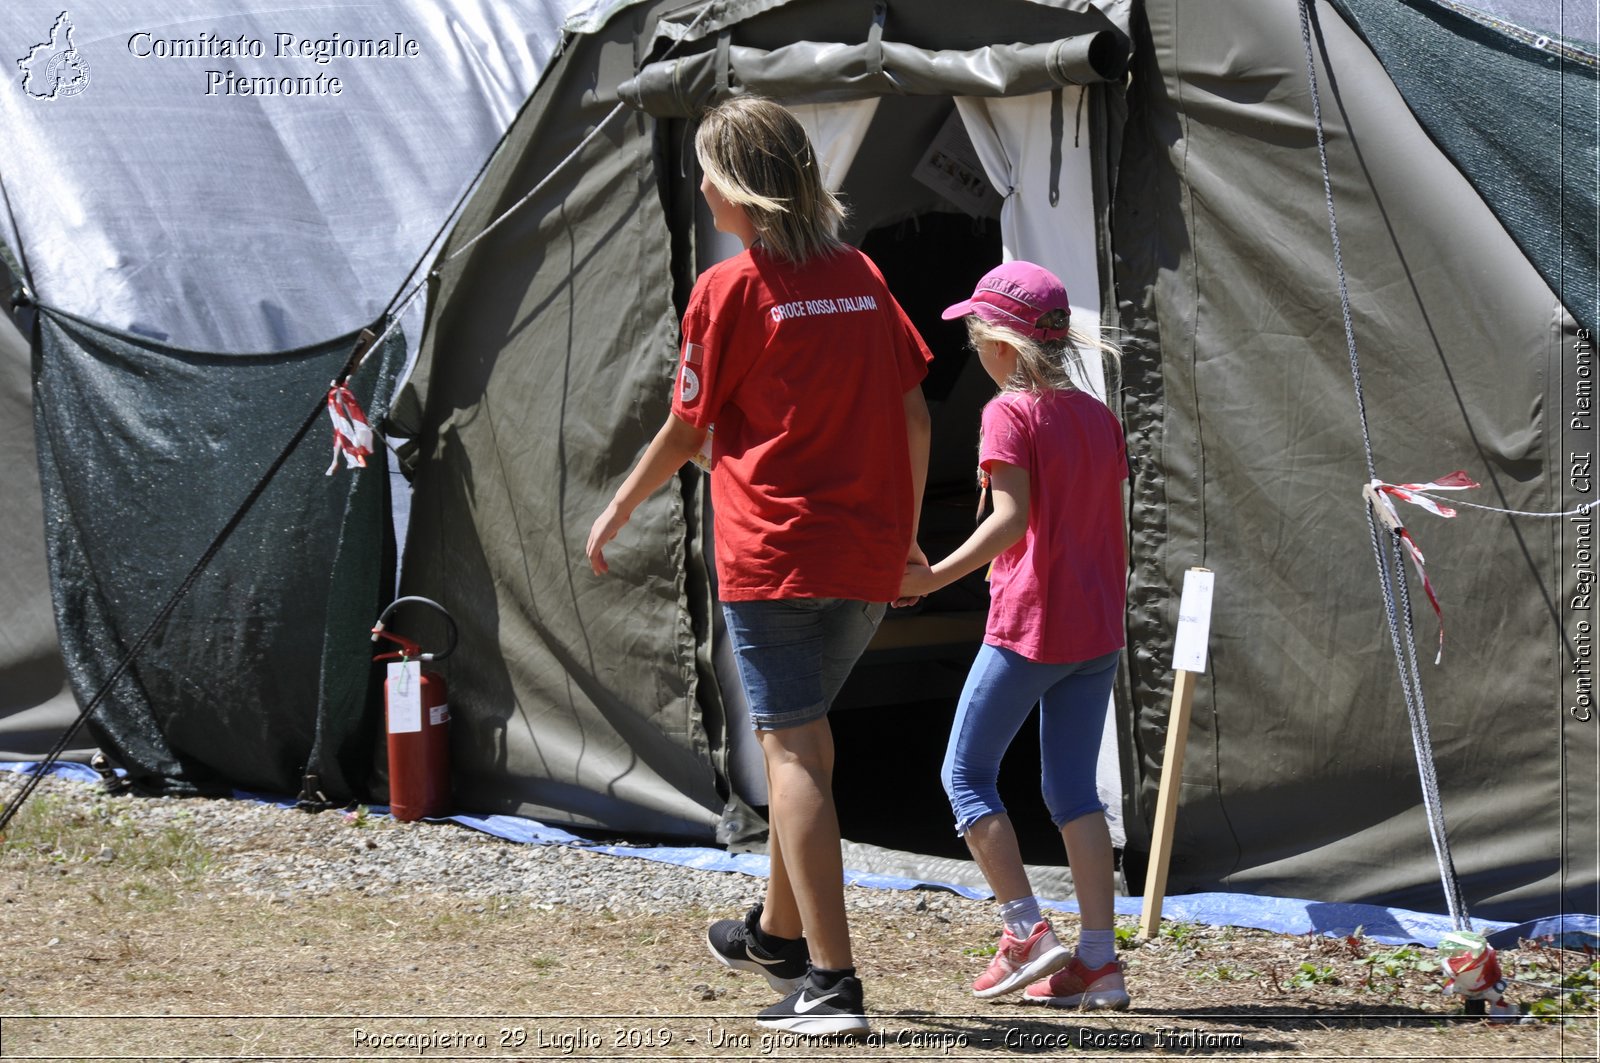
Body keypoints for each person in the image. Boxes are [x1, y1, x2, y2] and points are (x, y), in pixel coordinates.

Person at [585, 95, 932, 1035]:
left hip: (775, 557)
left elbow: (689, 426)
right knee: (806, 747)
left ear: (739, 188)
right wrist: (903, 536)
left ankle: (832, 981)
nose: (697, 185)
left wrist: (620, 502)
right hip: (864, 559)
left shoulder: (727, 290)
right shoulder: (861, 275)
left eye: (707, 170)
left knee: (794, 754)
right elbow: (913, 413)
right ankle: (778, 934)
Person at [899, 261, 1130, 1009]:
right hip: (1097, 633)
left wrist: (931, 579)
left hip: (1031, 628)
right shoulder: (1100, 416)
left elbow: (1011, 520)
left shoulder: (1007, 412)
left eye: (975, 332)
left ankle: (1025, 929)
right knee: (1071, 791)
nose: (972, 345)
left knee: (965, 776)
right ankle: (1099, 962)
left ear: (1002, 341)